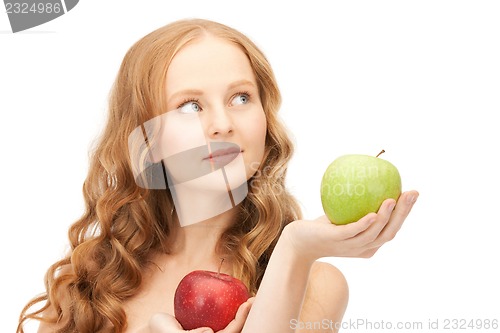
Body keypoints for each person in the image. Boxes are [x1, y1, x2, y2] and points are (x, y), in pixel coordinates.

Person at [17, 19, 418, 333]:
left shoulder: (315, 284)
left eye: (241, 98)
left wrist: (294, 249)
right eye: (190, 106)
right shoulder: (83, 288)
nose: (223, 124)